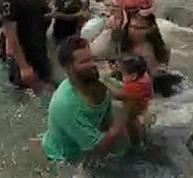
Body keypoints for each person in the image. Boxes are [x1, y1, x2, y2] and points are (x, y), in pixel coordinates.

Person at [40, 36, 129, 164]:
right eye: (85, 62)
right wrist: (123, 118)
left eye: (92, 58)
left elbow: (130, 92)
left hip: (92, 141)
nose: (93, 65)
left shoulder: (98, 79)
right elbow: (97, 148)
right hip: (64, 160)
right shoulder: (65, 104)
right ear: (69, 68)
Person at [0, 0, 53, 90]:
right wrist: (24, 67)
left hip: (39, 53)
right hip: (26, 60)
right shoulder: (9, 0)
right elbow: (12, 37)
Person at [117, 54, 152, 141]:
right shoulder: (144, 76)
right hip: (145, 109)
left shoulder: (134, 87)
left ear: (133, 76)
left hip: (136, 115)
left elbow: (117, 94)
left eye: (123, 74)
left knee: (131, 124)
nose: (122, 76)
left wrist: (106, 84)